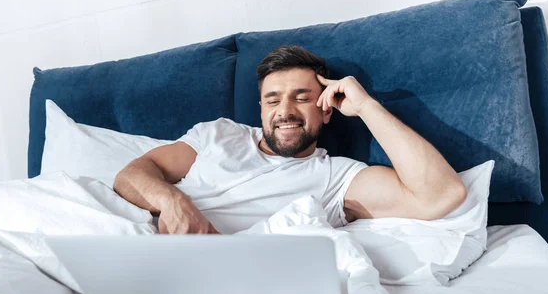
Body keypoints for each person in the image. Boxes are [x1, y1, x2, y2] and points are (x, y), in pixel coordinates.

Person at [114, 45, 467, 235]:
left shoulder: (336, 178)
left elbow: (441, 196)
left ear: (327, 109)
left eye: (300, 97)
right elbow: (132, 174)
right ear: (261, 109)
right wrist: (173, 201)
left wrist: (367, 108)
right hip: (140, 240)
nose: (285, 111)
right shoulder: (218, 133)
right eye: (273, 99)